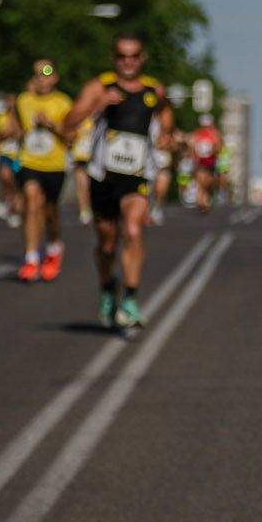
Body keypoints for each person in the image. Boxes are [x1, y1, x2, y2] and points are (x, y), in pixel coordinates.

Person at [63, 35, 175, 331]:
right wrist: (98, 105)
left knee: (134, 230)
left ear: (142, 58)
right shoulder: (100, 86)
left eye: (134, 55)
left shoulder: (153, 89)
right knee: (107, 243)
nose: (129, 61)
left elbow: (165, 112)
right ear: (114, 58)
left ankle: (131, 298)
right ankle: (107, 287)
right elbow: (68, 122)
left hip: (137, 175)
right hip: (104, 176)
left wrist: (166, 132)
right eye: (123, 56)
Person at [3, 59, 74, 283]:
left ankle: (53, 247)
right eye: (37, 74)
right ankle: (32, 259)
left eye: (46, 73)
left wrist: (51, 125)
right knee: (32, 201)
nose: (42, 78)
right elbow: (14, 128)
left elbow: (71, 138)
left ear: (55, 77)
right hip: (29, 161)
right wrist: (16, 132)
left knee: (50, 210)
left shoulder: (63, 102)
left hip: (54, 165)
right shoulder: (24, 101)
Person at [0, 106, 23, 227]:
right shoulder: (2, 117)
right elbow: (2, 134)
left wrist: (14, 128)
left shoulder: (23, 117)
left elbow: (19, 134)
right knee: (6, 178)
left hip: (20, 156)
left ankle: (15, 212)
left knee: (17, 185)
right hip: (6, 154)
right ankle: (5, 201)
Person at [190, 114, 223, 212]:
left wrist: (213, 152)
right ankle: (201, 200)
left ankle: (204, 198)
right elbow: (192, 146)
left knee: (208, 181)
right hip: (202, 161)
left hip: (210, 161)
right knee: (201, 180)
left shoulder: (214, 134)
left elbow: (218, 146)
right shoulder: (198, 134)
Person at [70, 120, 97, 226]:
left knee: (86, 183)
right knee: (82, 183)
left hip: (89, 153)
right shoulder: (81, 117)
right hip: (82, 152)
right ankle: (85, 210)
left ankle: (86, 210)